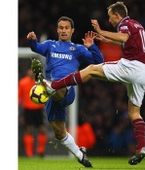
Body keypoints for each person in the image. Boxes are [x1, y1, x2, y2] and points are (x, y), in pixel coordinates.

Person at [38, 2, 145, 165]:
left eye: (111, 17)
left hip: (132, 66)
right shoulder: (137, 25)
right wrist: (104, 39)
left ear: (117, 15)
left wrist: (99, 30)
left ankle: (53, 86)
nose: (110, 20)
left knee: (90, 70)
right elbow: (126, 42)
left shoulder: (125, 23)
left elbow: (123, 37)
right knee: (134, 113)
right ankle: (142, 148)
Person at [27, 16, 103, 167]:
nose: (63, 30)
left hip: (66, 90)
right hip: (51, 97)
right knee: (59, 132)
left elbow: (99, 62)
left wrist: (91, 46)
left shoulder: (78, 49)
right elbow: (36, 48)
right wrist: (32, 40)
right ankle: (81, 155)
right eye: (61, 27)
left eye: (66, 28)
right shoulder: (50, 45)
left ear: (72, 30)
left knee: (59, 87)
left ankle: (47, 84)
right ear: (57, 29)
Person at [18, 68, 48, 157]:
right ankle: (29, 153)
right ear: (28, 71)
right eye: (30, 70)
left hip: (38, 109)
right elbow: (19, 96)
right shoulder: (23, 82)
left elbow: (46, 94)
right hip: (28, 109)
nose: (31, 72)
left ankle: (41, 150)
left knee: (42, 129)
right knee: (28, 130)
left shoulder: (40, 82)